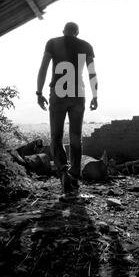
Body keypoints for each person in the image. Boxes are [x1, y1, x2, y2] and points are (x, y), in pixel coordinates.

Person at [36, 22, 98, 195]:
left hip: (58, 92)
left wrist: (39, 92)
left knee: (56, 136)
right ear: (77, 33)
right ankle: (75, 175)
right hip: (78, 94)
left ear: (63, 31)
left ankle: (63, 171)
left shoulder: (52, 43)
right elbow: (92, 72)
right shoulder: (86, 46)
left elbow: (43, 68)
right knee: (75, 136)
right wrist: (95, 95)